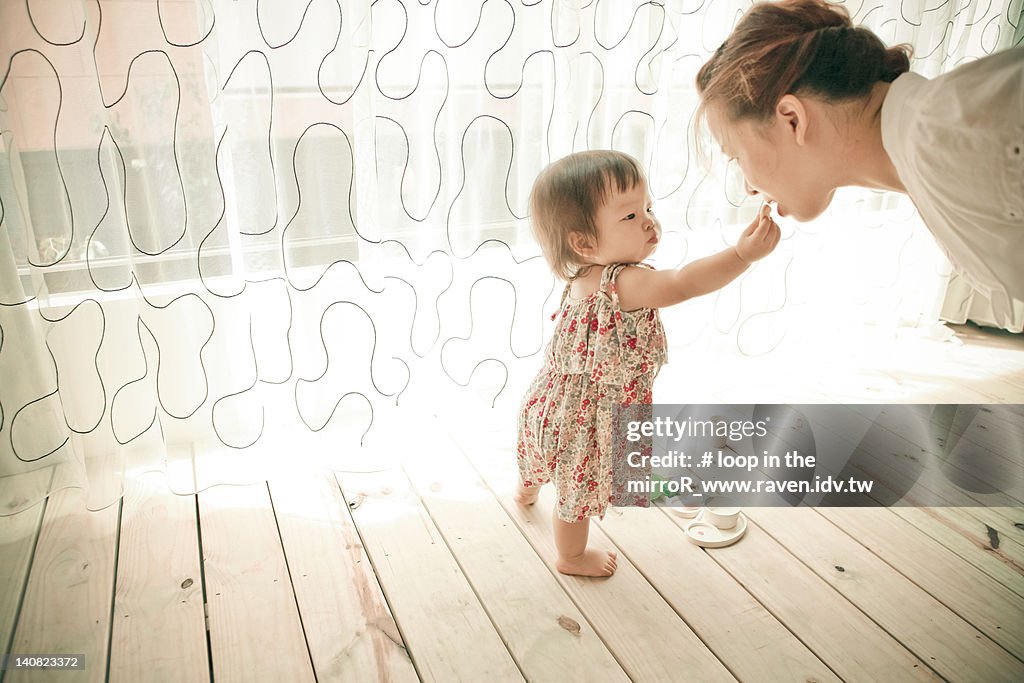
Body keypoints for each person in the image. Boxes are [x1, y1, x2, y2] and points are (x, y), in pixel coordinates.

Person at [515, 150, 780, 577]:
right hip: (585, 420)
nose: (649, 221)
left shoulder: (581, 275)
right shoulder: (625, 282)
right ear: (583, 241)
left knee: (548, 456)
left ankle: (526, 491)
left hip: (549, 402)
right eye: (630, 216)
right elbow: (684, 282)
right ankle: (571, 556)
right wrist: (742, 255)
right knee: (576, 488)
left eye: (649, 207)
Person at [694, 0, 1024, 330]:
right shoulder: (926, 149)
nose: (748, 187)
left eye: (735, 156)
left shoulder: (947, 133)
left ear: (792, 120)